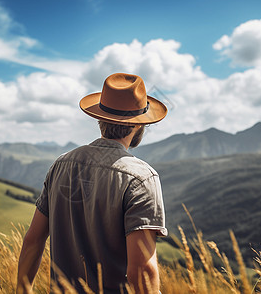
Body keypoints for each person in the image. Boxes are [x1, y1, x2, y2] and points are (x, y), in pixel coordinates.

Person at [16, 72, 168, 294]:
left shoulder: (61, 164)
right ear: (138, 125)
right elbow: (142, 270)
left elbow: (33, 240)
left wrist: (23, 291)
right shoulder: (142, 178)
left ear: (100, 118)